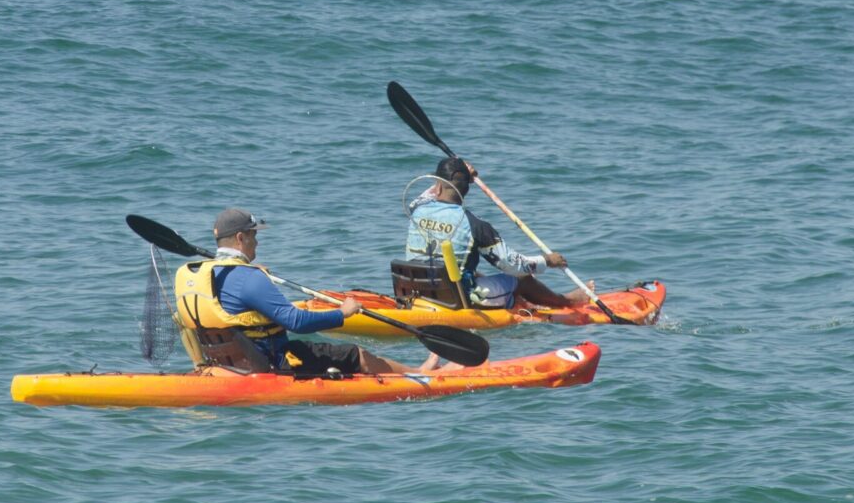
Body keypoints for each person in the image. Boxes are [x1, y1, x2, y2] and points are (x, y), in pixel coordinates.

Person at [175, 208, 440, 376]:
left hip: (226, 363)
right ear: (241, 239)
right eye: (254, 236)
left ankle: (202, 370)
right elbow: (296, 322)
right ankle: (418, 372)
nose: (257, 241)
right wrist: (342, 313)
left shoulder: (204, 276)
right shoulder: (249, 279)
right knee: (354, 354)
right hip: (273, 363)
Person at [405, 157, 593, 309]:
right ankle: (567, 301)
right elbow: (512, 266)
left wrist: (459, 173)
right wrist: (548, 261)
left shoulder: (416, 208)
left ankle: (517, 300)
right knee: (522, 279)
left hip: (417, 291)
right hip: (458, 300)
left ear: (437, 186)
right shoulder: (475, 225)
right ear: (466, 189)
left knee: (473, 272)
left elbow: (430, 193)